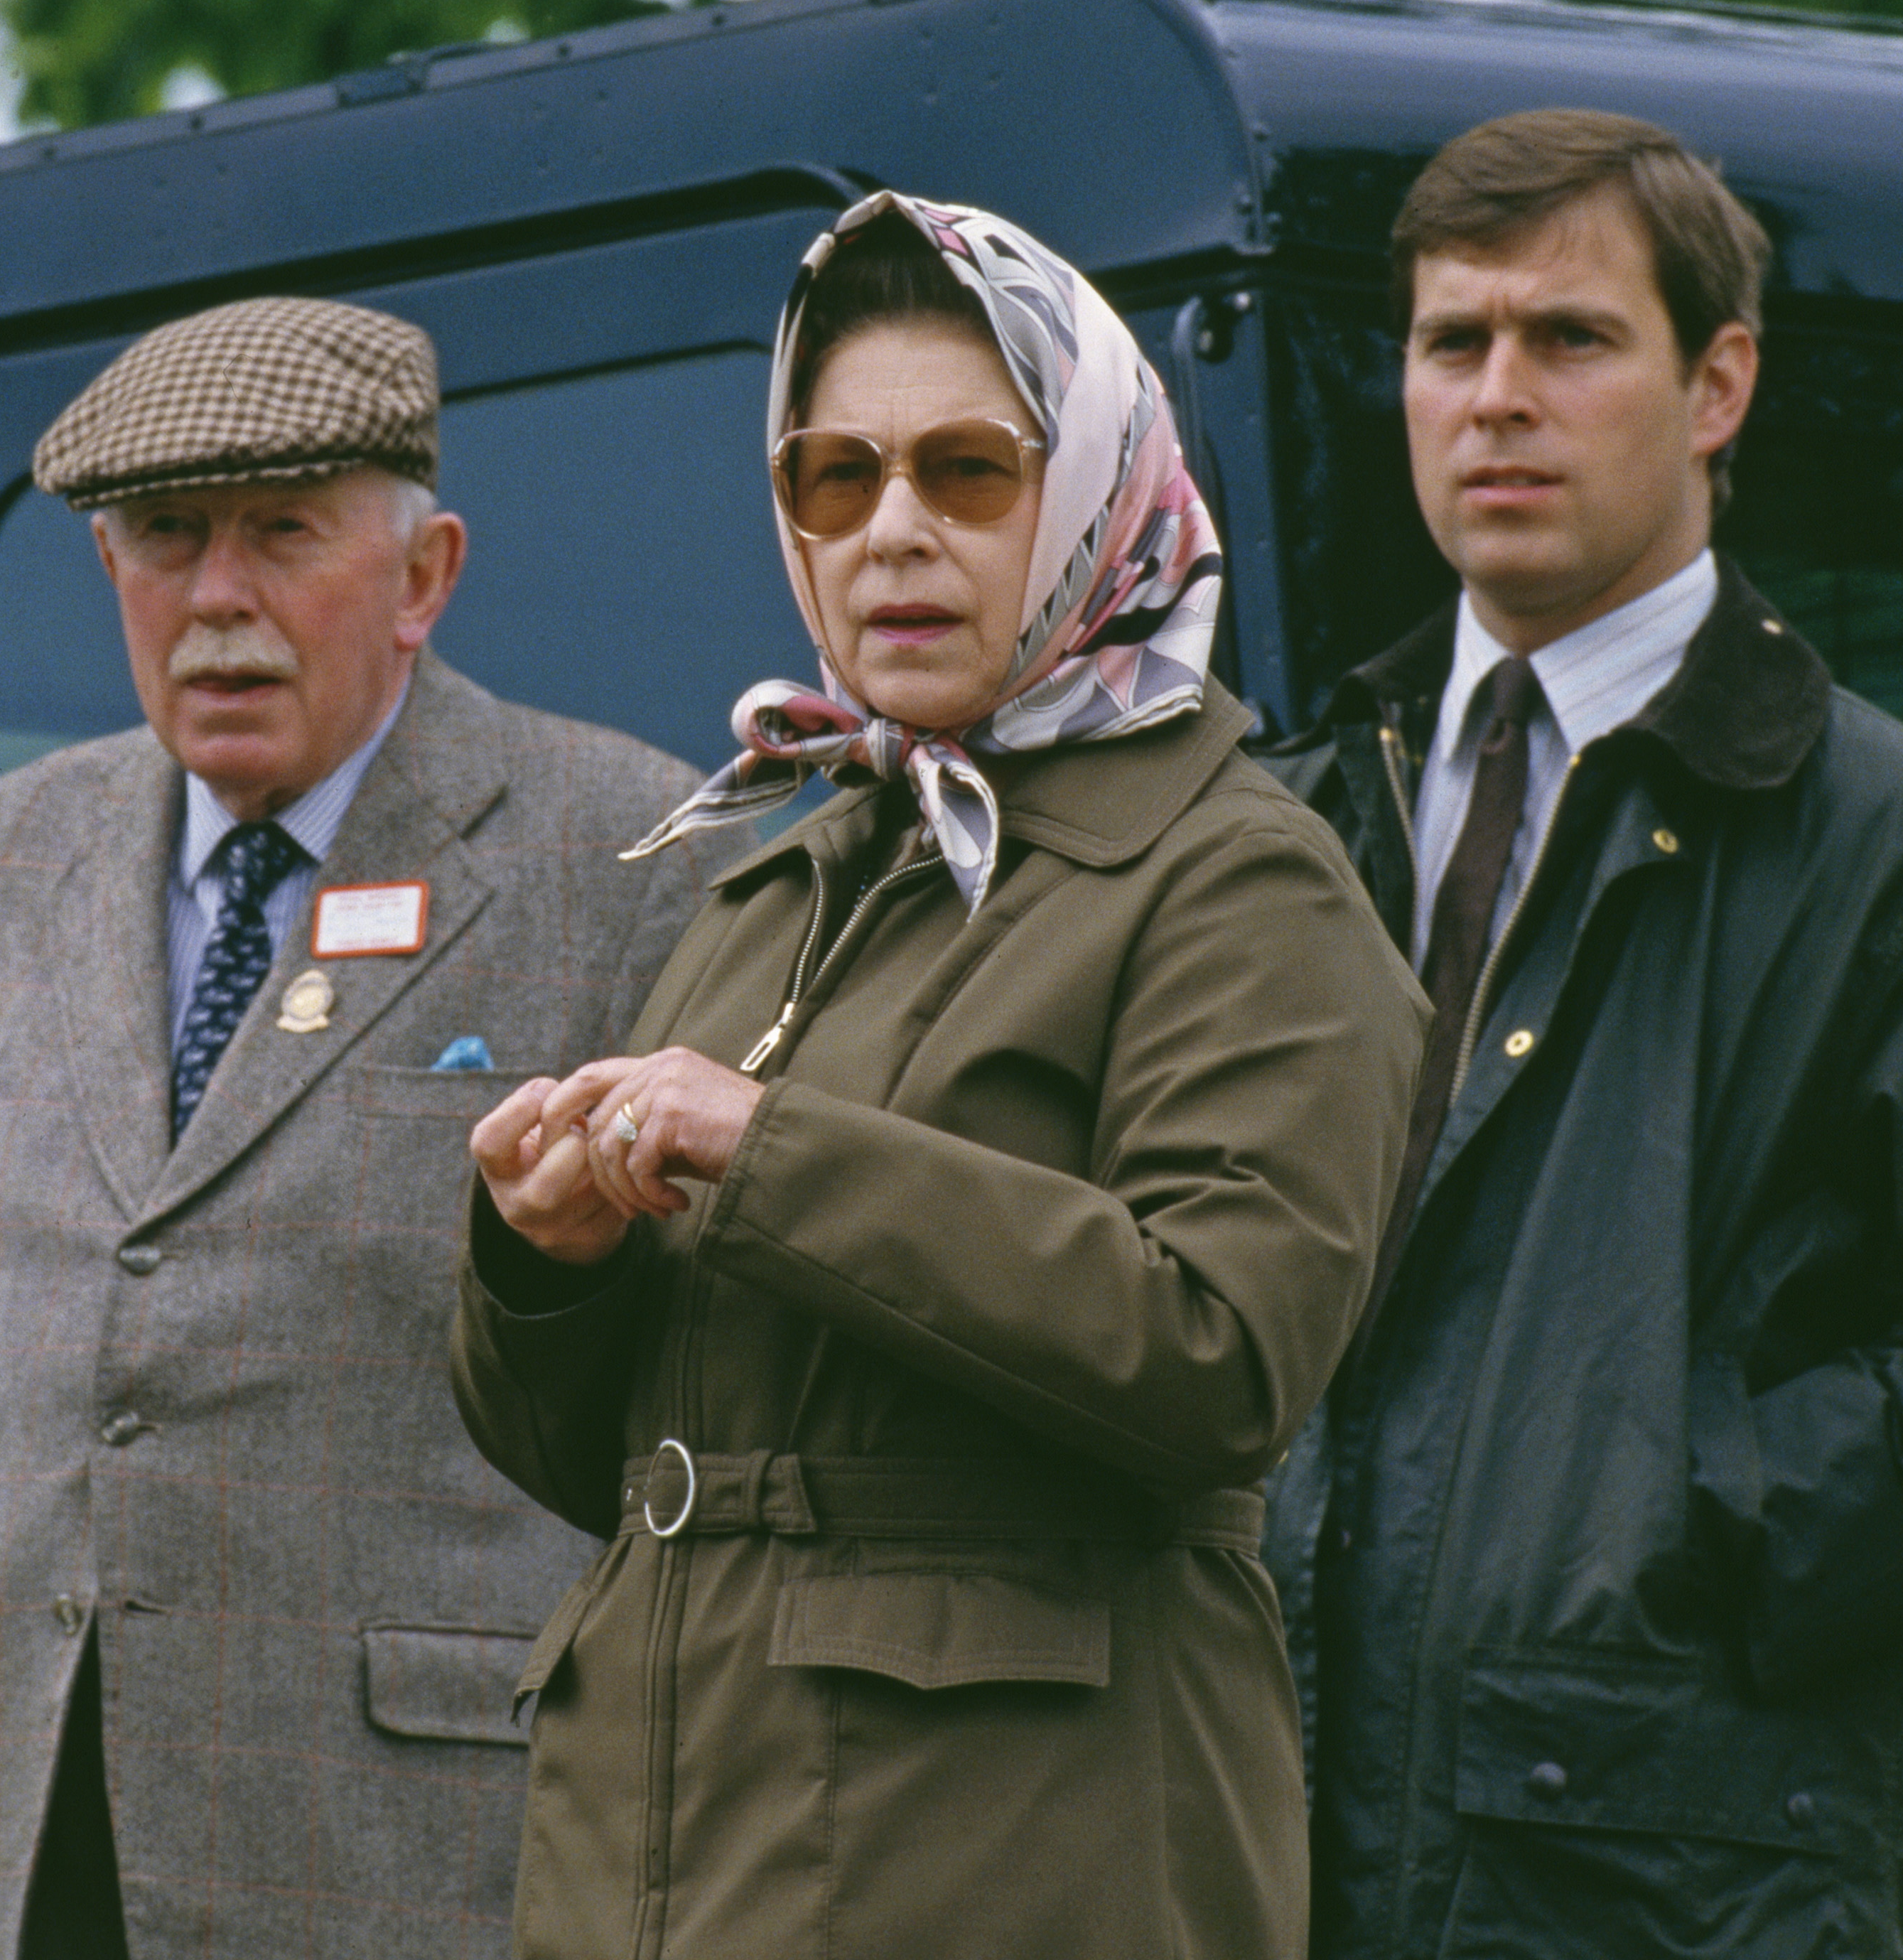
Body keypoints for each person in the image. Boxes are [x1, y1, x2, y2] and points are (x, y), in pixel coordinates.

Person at [1261, 108, 1903, 1956]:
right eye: (1450, 344)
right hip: (1259, 1850)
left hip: (1665, 1886)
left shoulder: (1900, 849)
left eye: (1568, 339)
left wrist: (1664, 1534)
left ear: (1715, 385)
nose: (1493, 397)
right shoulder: (1297, 817)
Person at [454, 193, 1421, 1960]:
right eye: (834, 477)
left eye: (967, 471)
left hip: (1001, 1873)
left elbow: (1219, 1352)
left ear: (1097, 496)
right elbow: (609, 1464)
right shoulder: (788, 866)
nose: (889, 530)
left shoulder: (1236, 873)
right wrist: (545, 1259)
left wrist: (767, 1153)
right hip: (661, 1866)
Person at [0, 296, 707, 1959]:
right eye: (164, 539)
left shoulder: (623, 845)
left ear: (422, 574)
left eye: (280, 532)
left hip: (413, 1835)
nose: (217, 599)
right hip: (9, 1823)